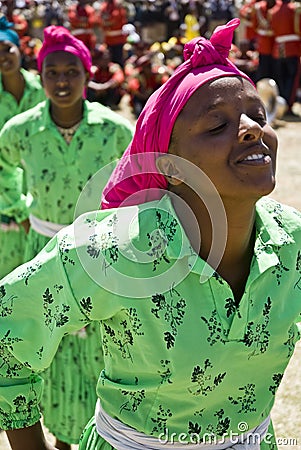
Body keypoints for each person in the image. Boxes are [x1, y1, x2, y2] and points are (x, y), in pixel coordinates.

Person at [0, 18, 301, 450]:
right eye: (217, 126)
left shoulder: (292, 244)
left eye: (257, 115)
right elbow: (7, 331)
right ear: (172, 168)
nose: (254, 128)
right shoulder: (116, 248)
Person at [0, 25, 133, 450]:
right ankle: (58, 435)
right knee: (47, 346)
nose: (61, 81)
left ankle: (93, 434)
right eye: (52, 72)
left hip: (98, 256)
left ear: (86, 73)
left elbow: (139, 180)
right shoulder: (21, 130)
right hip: (39, 247)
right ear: (41, 76)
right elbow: (3, 166)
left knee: (100, 343)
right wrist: (19, 209)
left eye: (71, 71)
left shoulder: (113, 130)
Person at [0, 14, 46, 279]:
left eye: (7, 48)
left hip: (38, 189)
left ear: (20, 49)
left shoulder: (42, 89)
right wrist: (16, 209)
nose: (3, 56)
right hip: (4, 194)